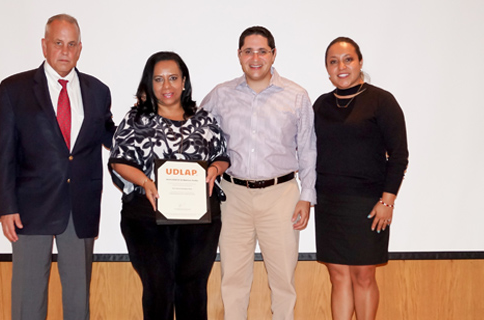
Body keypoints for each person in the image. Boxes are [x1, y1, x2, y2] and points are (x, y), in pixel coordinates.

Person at [0, 14, 116, 320]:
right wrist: (6, 206)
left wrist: (150, 126)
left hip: (81, 206)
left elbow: (113, 137)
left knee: (78, 301)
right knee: (28, 298)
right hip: (29, 208)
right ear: (44, 46)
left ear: (80, 48)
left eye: (71, 44)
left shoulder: (97, 91)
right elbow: (4, 154)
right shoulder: (13, 89)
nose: (65, 51)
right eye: (58, 43)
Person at [200, 26, 317, 320]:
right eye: (248, 51)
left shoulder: (296, 95)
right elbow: (194, 133)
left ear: (273, 54)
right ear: (239, 55)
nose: (255, 57)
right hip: (233, 197)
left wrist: (307, 196)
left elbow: (308, 150)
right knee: (233, 282)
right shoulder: (221, 94)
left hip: (281, 196)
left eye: (262, 51)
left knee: (283, 283)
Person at [109, 51, 230, 320]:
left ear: (184, 81)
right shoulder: (136, 120)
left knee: (193, 290)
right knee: (158, 289)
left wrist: (214, 168)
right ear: (149, 84)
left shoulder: (204, 119)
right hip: (146, 218)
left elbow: (222, 156)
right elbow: (119, 161)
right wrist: (145, 181)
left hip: (198, 220)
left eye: (173, 78)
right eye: (159, 79)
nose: (167, 86)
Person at [313, 37, 408, 320]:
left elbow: (400, 156)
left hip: (368, 204)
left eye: (348, 59)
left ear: (360, 62)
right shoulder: (321, 105)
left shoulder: (382, 100)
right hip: (329, 203)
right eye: (333, 61)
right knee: (338, 276)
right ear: (327, 69)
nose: (341, 66)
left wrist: (387, 202)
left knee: (364, 276)